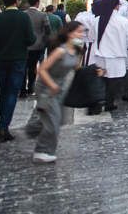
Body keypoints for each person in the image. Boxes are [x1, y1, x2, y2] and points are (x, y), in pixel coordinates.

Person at [24, 22, 85, 163]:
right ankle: (42, 151)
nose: (81, 35)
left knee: (56, 118)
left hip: (61, 87)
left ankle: (34, 128)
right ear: (70, 33)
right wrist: (51, 85)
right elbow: (41, 69)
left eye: (82, 32)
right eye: (78, 32)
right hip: (47, 87)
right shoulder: (60, 51)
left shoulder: (76, 50)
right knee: (53, 120)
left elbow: (76, 67)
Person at [0, 0, 36, 142]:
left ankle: (3, 123)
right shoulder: (23, 18)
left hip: (1, 59)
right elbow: (31, 39)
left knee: (4, 91)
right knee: (11, 93)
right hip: (18, 60)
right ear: (17, 0)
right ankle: (4, 126)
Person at [91, 0, 128, 112]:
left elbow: (92, 36)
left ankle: (100, 100)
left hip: (100, 55)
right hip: (117, 55)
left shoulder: (97, 20)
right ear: (116, 6)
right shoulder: (123, 21)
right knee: (113, 81)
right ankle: (109, 102)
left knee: (101, 79)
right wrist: (127, 47)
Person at [23, 0, 51, 97]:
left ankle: (22, 90)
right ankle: (31, 88)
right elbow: (48, 30)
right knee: (32, 67)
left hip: (24, 45)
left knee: (23, 67)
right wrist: (44, 40)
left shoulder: (23, 14)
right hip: (37, 45)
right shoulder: (42, 15)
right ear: (37, 3)